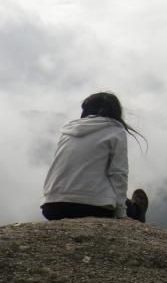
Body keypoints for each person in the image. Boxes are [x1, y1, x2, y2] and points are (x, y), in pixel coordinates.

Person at [41, 92, 149, 223]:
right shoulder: (116, 131)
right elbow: (118, 174)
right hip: (91, 208)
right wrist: (122, 213)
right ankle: (137, 211)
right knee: (117, 202)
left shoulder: (67, 131)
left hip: (51, 207)